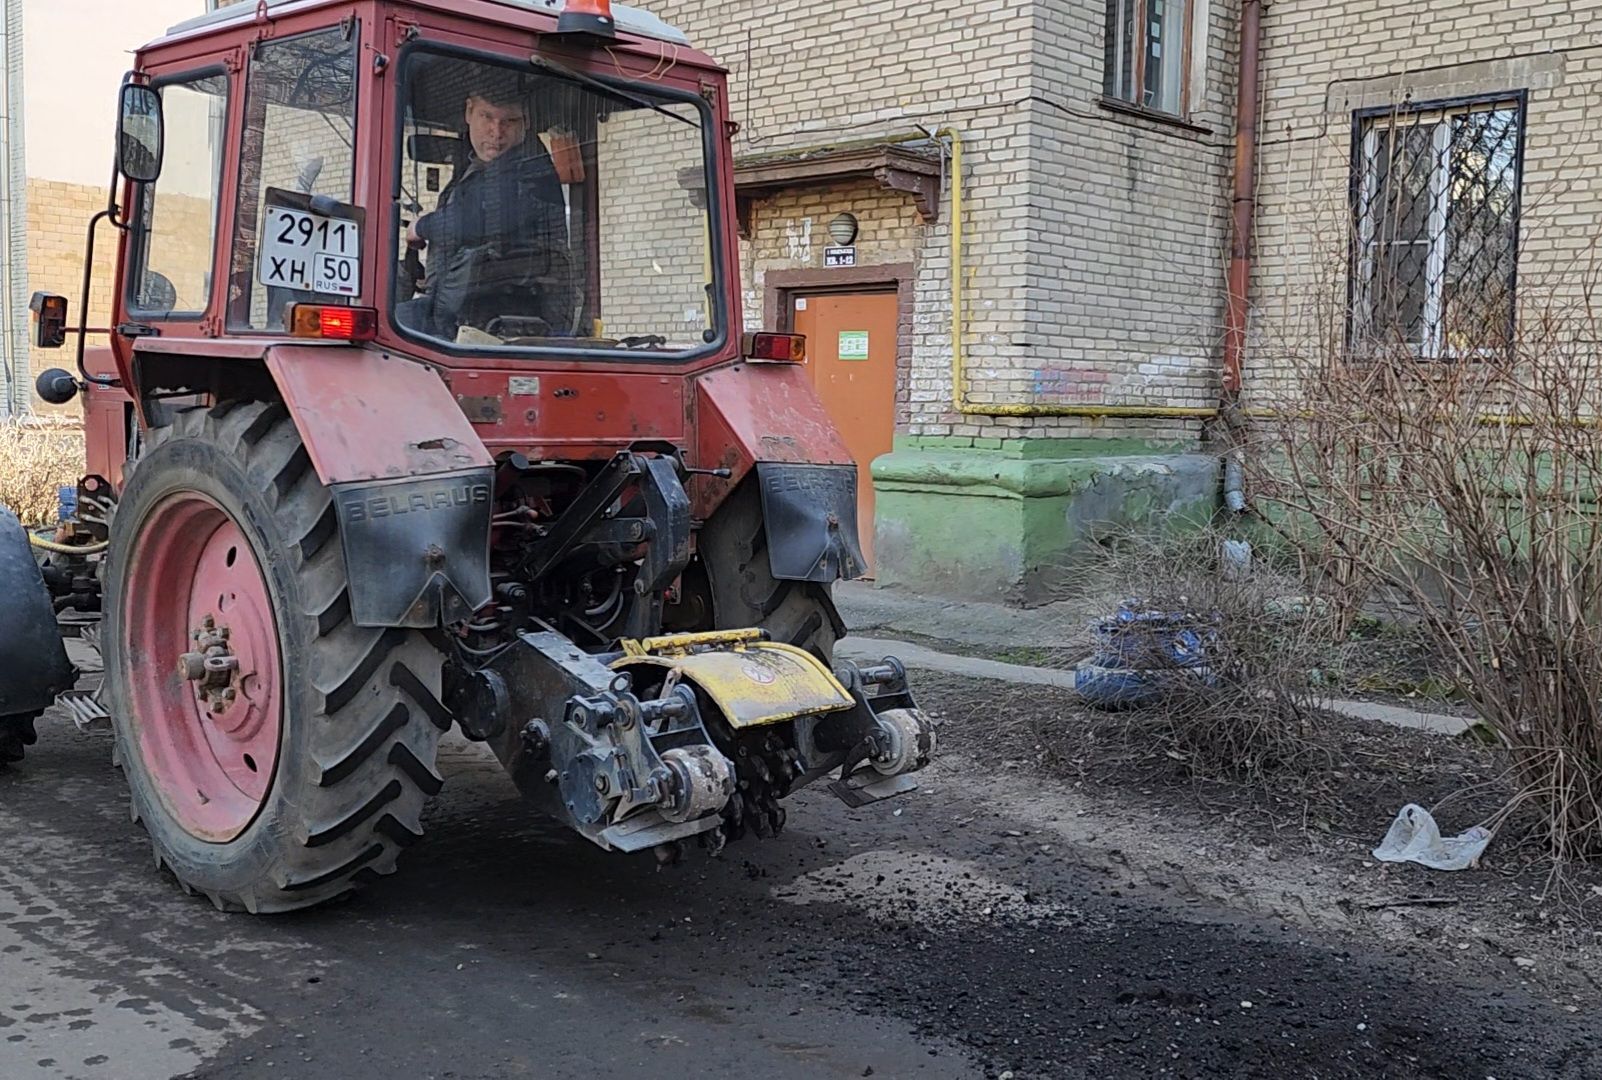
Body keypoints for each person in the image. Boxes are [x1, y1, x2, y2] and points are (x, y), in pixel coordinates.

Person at [398, 78, 573, 340]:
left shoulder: (528, 167)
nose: (497, 131)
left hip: (504, 317)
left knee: (392, 324)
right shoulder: (477, 167)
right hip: (468, 308)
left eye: (510, 121)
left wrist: (422, 227)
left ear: (525, 122)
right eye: (487, 117)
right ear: (469, 112)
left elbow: (476, 221)